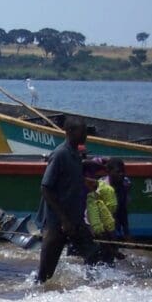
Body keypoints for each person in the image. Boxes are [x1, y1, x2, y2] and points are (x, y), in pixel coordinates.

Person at [36, 117, 101, 283]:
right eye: (82, 131)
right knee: (45, 274)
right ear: (70, 132)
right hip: (57, 222)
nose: (85, 135)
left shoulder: (75, 154)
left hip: (75, 219)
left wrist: (86, 182)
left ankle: (90, 290)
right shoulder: (60, 154)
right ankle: (38, 298)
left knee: (93, 253)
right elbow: (46, 188)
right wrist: (63, 220)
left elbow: (68, 181)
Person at [105, 158, 131, 239]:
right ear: (109, 172)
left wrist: (126, 231)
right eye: (118, 172)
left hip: (118, 219)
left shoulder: (125, 183)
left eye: (123, 172)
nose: (121, 174)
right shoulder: (102, 188)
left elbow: (123, 209)